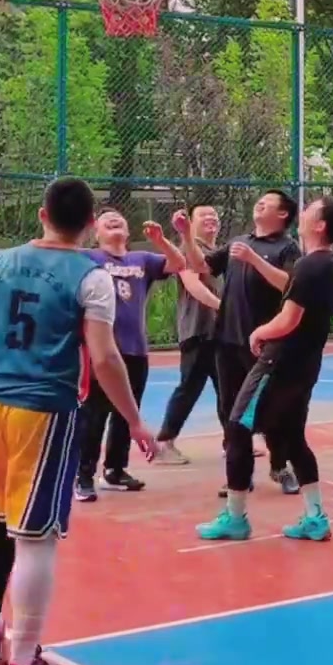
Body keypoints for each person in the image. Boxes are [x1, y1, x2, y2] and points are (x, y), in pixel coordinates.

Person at [0, 177, 154, 665]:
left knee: (0, 516)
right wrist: (133, 420)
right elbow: (104, 358)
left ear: (42, 214)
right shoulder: (92, 276)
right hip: (42, 409)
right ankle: (22, 664)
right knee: (36, 536)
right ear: (89, 224)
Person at [197, 198, 333, 542]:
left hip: (279, 363)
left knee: (238, 428)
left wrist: (259, 332)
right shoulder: (331, 264)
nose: (304, 212)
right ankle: (315, 517)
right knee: (292, 437)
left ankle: (235, 517)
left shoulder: (308, 266)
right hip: (306, 365)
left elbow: (289, 319)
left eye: (311, 210)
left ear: (320, 225)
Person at [180, 189, 301, 495]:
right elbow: (202, 266)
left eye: (267, 202)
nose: (260, 203)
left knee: (270, 407)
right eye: (259, 200)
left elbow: (290, 284)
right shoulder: (239, 241)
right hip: (227, 341)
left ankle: (280, 465)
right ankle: (239, 475)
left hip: (264, 344)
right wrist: (185, 235)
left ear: (283, 214)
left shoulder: (287, 247)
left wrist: (253, 260)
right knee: (230, 410)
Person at [73, 208, 187, 501]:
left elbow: (179, 263)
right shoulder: (87, 257)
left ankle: (115, 470)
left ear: (128, 230)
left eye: (119, 219)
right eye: (106, 220)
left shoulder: (142, 259)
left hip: (135, 349)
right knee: (93, 414)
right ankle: (83, 474)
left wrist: (161, 240)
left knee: (127, 413)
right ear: (95, 231)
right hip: (100, 349)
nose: (114, 220)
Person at [155, 204, 222, 463]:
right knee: (189, 388)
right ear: (190, 224)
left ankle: (234, 441)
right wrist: (223, 308)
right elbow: (193, 285)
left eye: (214, 215)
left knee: (228, 387)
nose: (211, 218)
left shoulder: (218, 253)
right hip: (198, 330)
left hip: (220, 331)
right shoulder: (187, 249)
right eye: (204, 215)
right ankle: (164, 443)